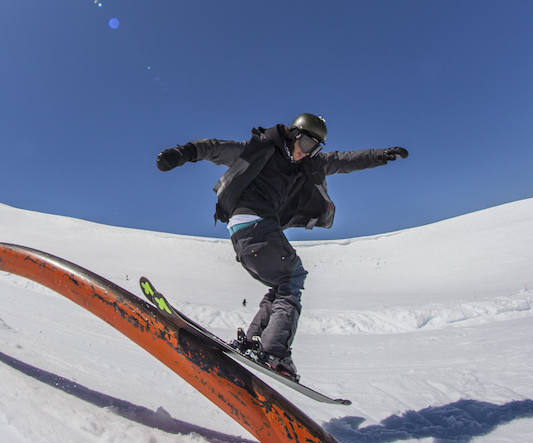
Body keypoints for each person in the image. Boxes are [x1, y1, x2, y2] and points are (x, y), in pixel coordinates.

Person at [155, 113, 408, 381]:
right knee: (294, 276)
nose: (306, 154)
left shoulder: (307, 165)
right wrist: (181, 153)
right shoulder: (261, 149)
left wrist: (380, 155)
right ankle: (275, 352)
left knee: (281, 285)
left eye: (315, 149)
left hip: (245, 234)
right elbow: (215, 148)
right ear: (294, 135)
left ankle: (254, 342)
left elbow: (343, 161)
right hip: (255, 224)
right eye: (307, 145)